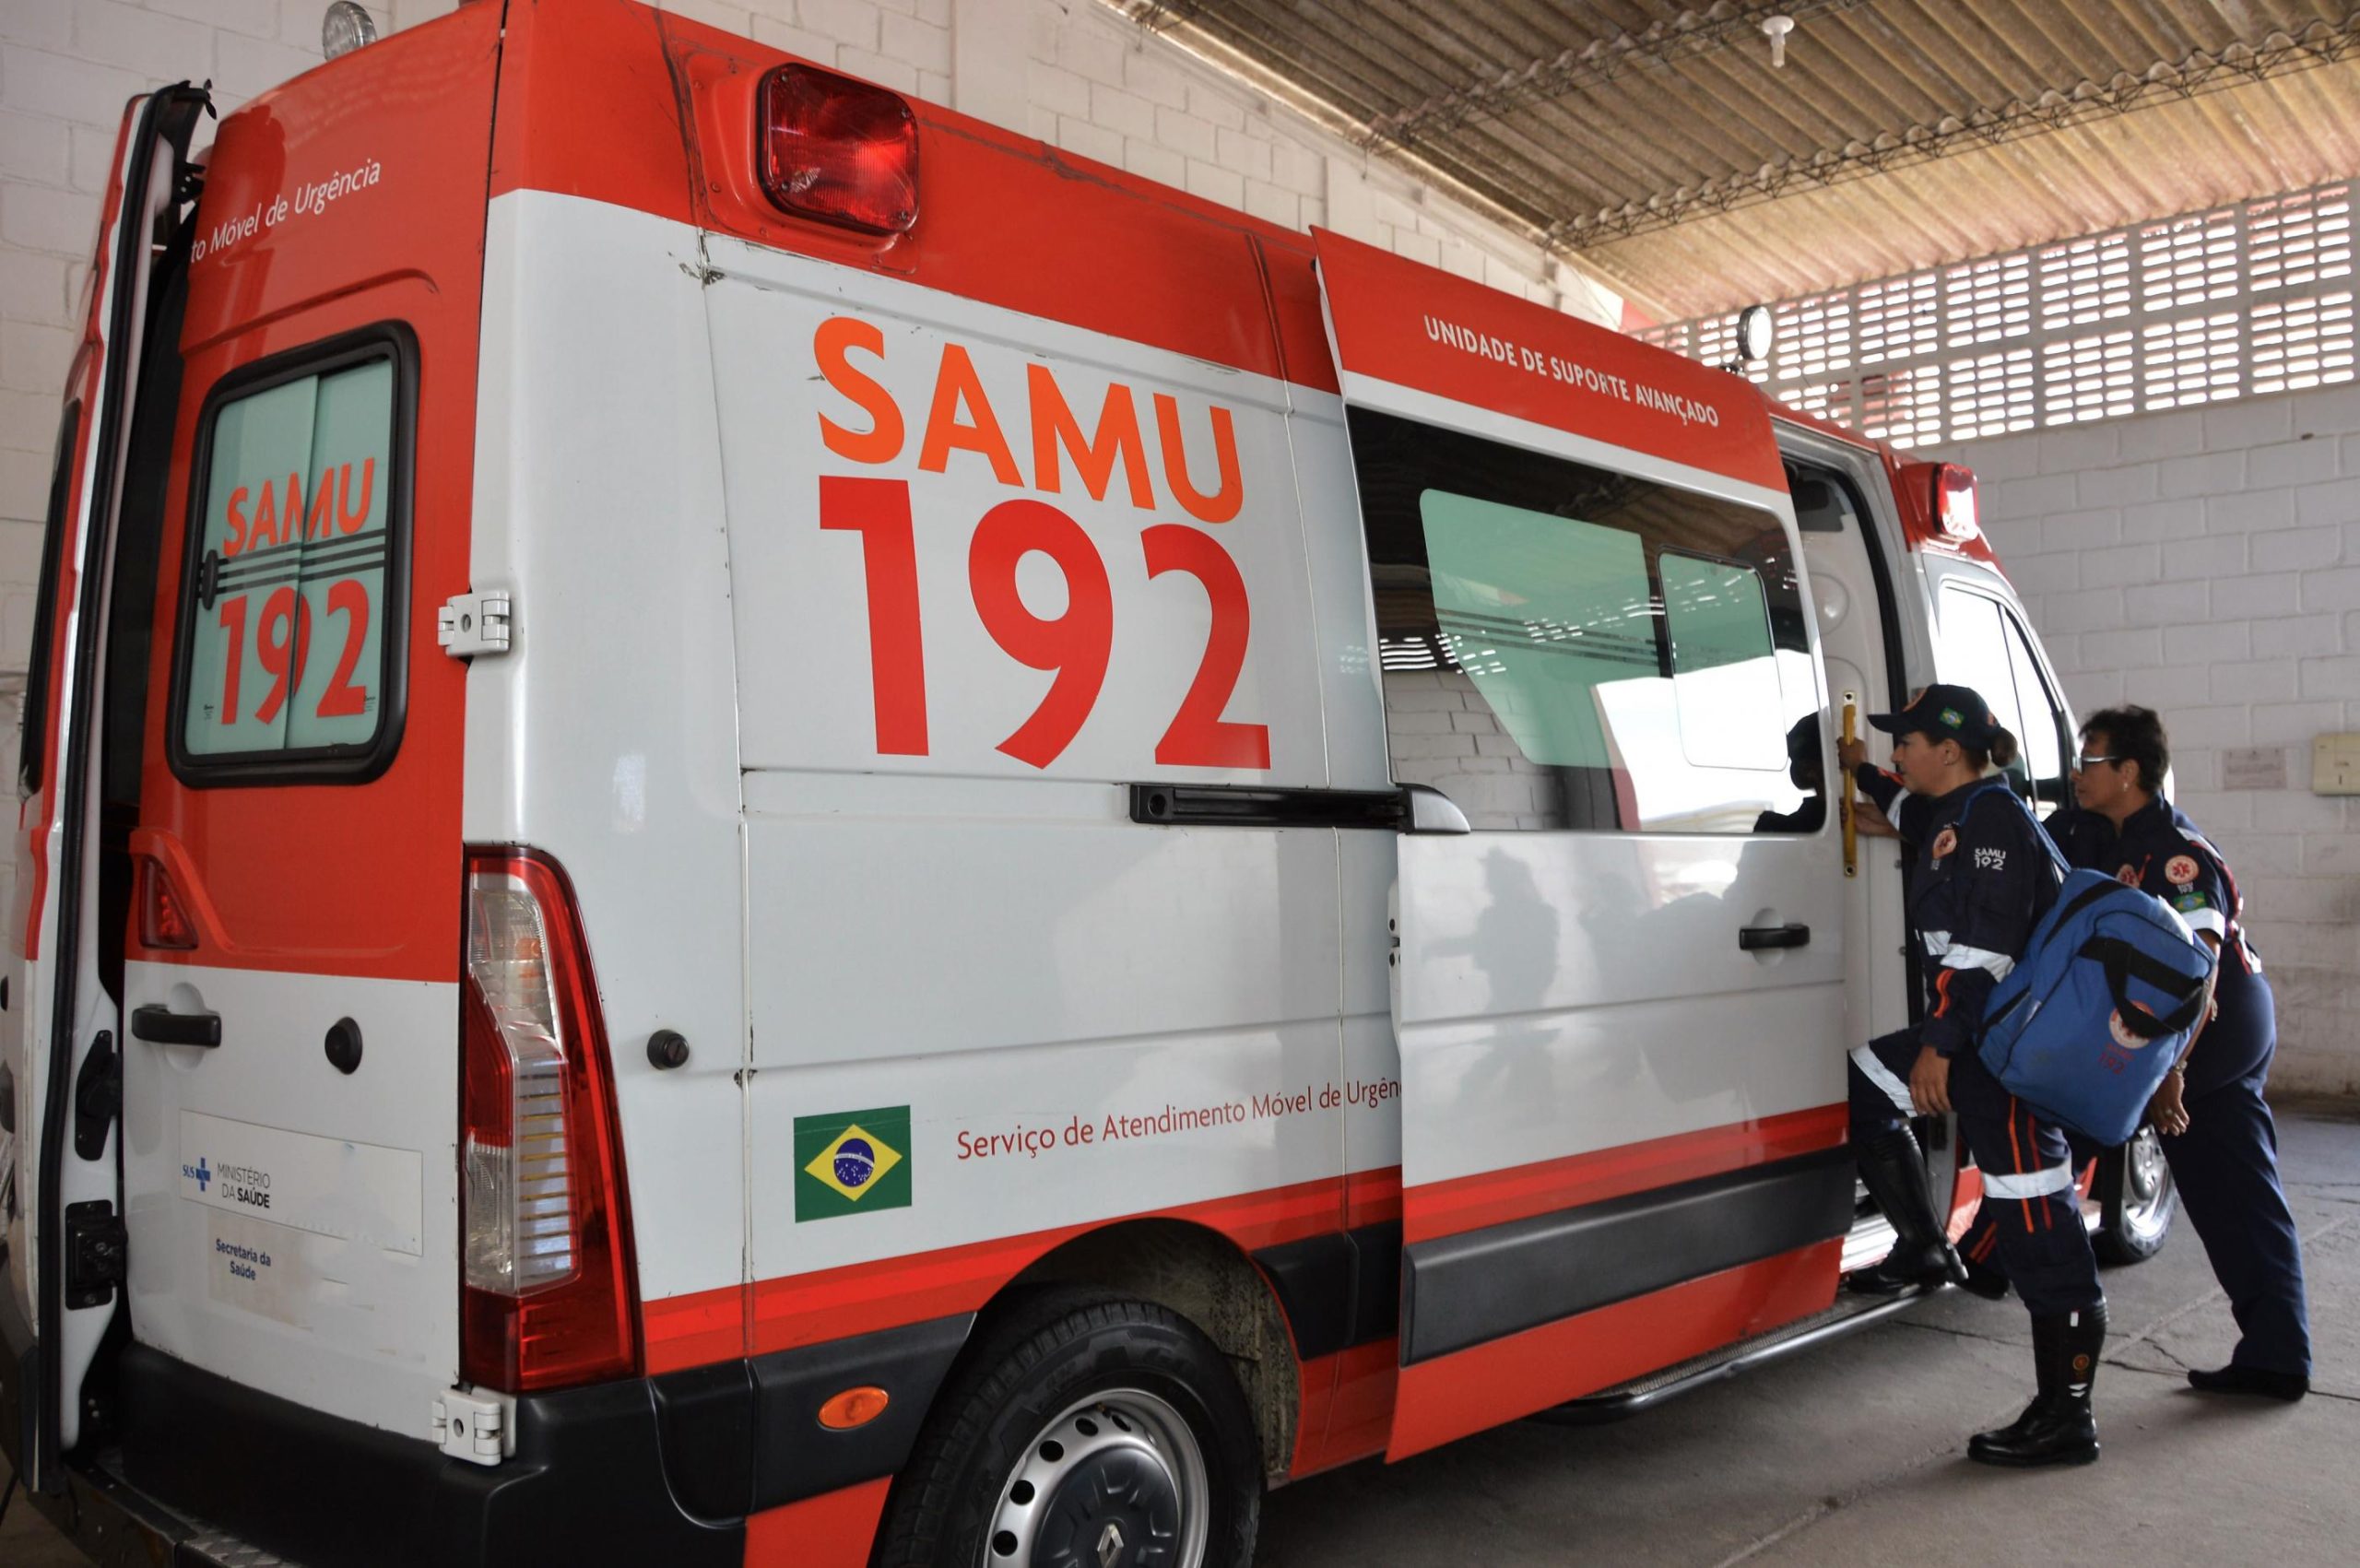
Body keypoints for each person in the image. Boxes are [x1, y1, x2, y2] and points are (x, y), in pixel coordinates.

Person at [1838, 683, 2108, 1467]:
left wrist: (1939, 1045)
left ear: (1949, 751)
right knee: (1864, 1084)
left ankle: (2067, 1413)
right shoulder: (1953, 810)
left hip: (2005, 1057)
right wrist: (1858, 771)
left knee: (2039, 1224)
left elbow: (1985, 949)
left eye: (1905, 742)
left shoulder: (1993, 820)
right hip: (1977, 1041)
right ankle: (1926, 1242)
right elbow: (1906, 807)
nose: (1896, 753)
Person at [2057, 706, 2312, 1400]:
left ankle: (2280, 1359)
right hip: (2168, 1031)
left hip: (2216, 1031)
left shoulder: (2178, 853)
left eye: (2090, 760)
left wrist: (2173, 1071)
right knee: (2215, 1195)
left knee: (2237, 1193)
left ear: (2129, 772)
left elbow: (2200, 977)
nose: (2077, 772)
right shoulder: (2089, 830)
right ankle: (2272, 1354)